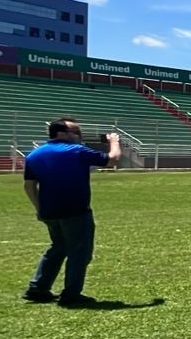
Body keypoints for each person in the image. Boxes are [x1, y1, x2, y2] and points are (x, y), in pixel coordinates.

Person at [22, 118, 120, 306]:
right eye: (76, 132)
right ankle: (71, 294)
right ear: (61, 133)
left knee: (58, 247)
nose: (79, 136)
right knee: (79, 252)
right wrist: (114, 142)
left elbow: (29, 185)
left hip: (50, 211)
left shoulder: (34, 155)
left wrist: (39, 208)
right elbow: (113, 159)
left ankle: (38, 288)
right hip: (75, 210)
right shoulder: (76, 151)